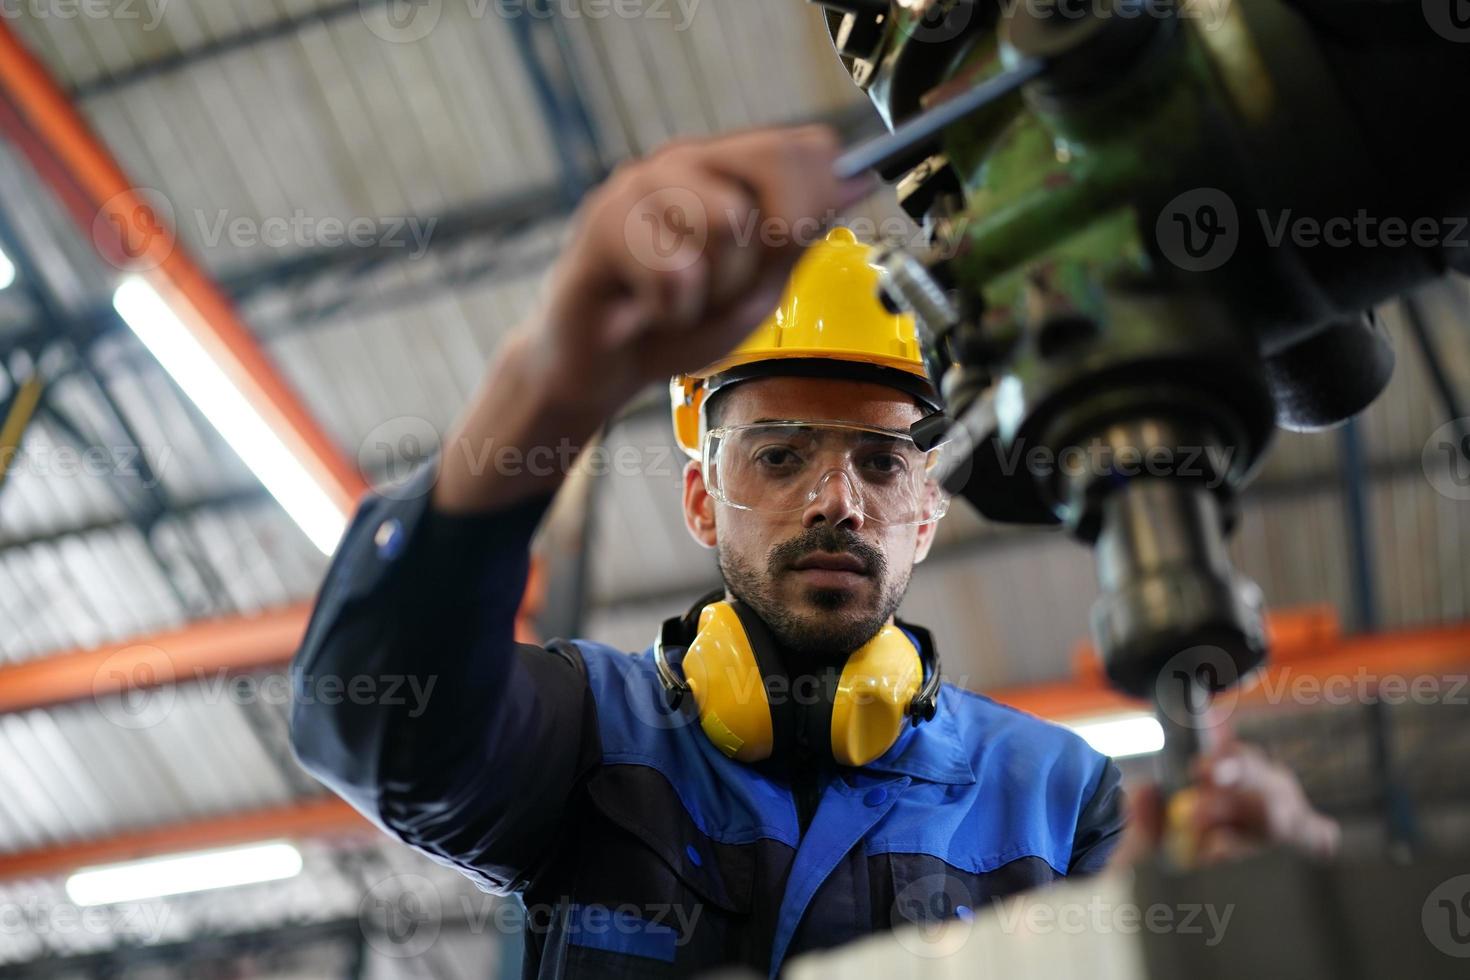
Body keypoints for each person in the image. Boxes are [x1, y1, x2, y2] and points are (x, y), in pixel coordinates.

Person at [289, 125, 1339, 978]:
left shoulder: (1065, 803)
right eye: (781, 454)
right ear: (701, 499)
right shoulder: (584, 743)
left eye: (883, 464)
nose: (837, 499)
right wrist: (553, 379)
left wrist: (1258, 924)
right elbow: (380, 721)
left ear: (928, 512)